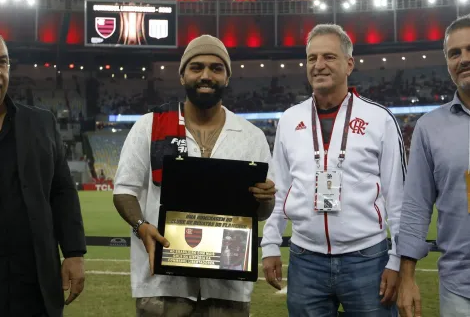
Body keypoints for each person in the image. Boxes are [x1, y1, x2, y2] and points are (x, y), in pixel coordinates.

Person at [113, 34, 276, 317]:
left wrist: (266, 198)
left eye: (216, 68)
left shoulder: (252, 136)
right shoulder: (150, 126)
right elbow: (124, 189)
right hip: (163, 286)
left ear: (226, 77)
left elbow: (261, 212)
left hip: (228, 286)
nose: (206, 75)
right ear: (182, 75)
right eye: (196, 67)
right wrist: (141, 226)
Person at [261, 24, 406, 316]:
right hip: (305, 259)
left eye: (329, 57)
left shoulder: (379, 119)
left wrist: (397, 260)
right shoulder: (290, 120)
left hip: (367, 258)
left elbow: (398, 198)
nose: (319, 65)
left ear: (349, 64)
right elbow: (279, 189)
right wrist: (271, 245)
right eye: (312, 58)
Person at [0, 36, 86, 317]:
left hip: (34, 281)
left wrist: (73, 252)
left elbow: (62, 190)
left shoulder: (41, 122)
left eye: (2, 62)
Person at [396, 14, 470, 317]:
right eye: (455, 53)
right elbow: (416, 205)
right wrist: (408, 277)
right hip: (460, 289)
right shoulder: (429, 127)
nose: (464, 59)